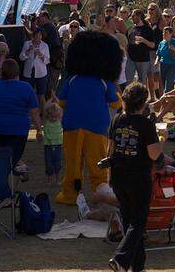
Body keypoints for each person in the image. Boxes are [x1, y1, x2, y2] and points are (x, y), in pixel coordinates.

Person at [55, 31, 123, 205]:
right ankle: (100, 190)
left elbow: (61, 101)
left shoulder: (72, 79)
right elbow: (116, 103)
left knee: (73, 162)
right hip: (97, 125)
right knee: (97, 162)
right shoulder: (103, 82)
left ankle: (70, 193)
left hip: (72, 125)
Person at [108, 83, 164, 272]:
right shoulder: (146, 124)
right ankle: (121, 259)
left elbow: (111, 151)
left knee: (129, 220)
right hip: (138, 178)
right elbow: (154, 154)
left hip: (118, 176)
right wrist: (162, 139)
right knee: (138, 222)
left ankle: (137, 266)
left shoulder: (117, 120)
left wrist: (110, 177)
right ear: (143, 103)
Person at [0, 60, 42, 177]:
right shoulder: (26, 88)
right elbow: (34, 112)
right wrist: (38, 130)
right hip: (18, 129)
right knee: (12, 158)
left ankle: (4, 179)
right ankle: (13, 176)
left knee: (1, 157)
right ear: (17, 72)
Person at [21, 27, 51, 102]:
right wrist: (28, 50)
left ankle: (43, 112)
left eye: (40, 35)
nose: (38, 37)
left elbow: (47, 61)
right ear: (33, 36)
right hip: (28, 73)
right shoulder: (27, 44)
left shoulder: (45, 45)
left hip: (41, 73)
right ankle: (29, 112)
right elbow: (21, 58)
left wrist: (40, 54)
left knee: (41, 95)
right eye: (36, 35)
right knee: (28, 94)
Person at [127, 11, 156, 84]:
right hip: (131, 58)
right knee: (128, 80)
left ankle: (141, 95)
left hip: (143, 60)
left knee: (142, 82)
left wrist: (143, 40)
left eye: (133, 16)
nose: (131, 18)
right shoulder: (131, 28)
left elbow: (153, 45)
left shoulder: (148, 29)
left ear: (139, 16)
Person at [42, 101, 64, 185]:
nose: (54, 119)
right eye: (52, 117)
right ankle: (49, 180)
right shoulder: (46, 122)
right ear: (48, 116)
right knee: (49, 164)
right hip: (48, 146)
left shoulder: (59, 121)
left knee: (58, 163)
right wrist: (49, 100)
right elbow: (44, 109)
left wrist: (56, 100)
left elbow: (61, 109)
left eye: (56, 117)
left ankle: (57, 179)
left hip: (58, 146)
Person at [157, 26, 175, 92]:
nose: (164, 34)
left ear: (171, 34)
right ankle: (171, 98)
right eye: (163, 33)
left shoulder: (174, 42)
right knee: (163, 84)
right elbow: (158, 54)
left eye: (166, 33)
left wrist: (174, 49)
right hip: (162, 65)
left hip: (172, 65)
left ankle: (167, 99)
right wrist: (156, 61)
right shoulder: (161, 43)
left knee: (168, 85)